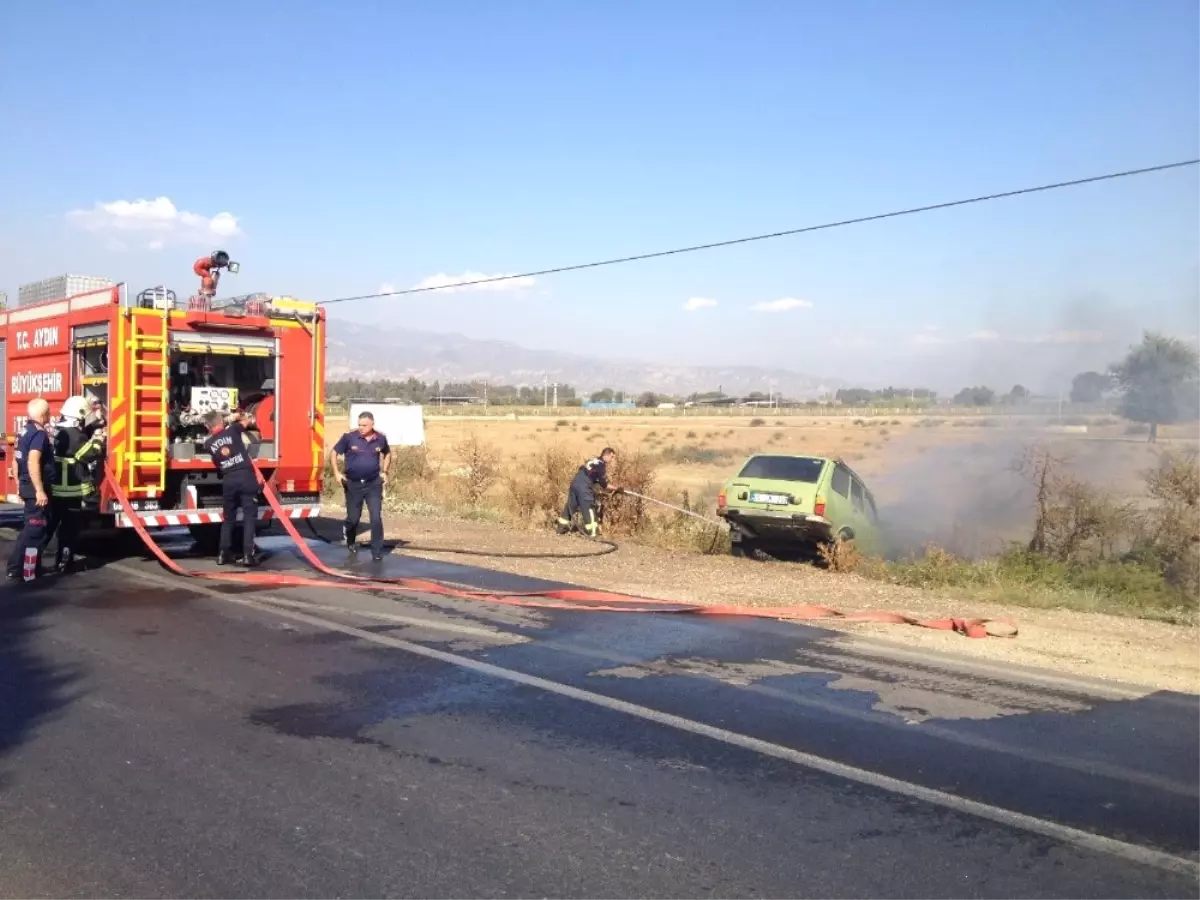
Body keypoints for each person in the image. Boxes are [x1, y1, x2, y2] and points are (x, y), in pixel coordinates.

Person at [46, 396, 106, 574]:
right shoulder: (76, 436)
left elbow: (77, 438)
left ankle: (32, 563)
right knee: (69, 531)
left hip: (56, 490)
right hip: (71, 492)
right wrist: (98, 439)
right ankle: (65, 563)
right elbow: (88, 454)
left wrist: (95, 424)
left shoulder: (59, 431)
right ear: (78, 417)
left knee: (51, 527)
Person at [202, 409, 261, 566]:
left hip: (228, 480)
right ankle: (248, 555)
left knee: (228, 519)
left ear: (208, 427)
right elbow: (247, 420)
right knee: (249, 517)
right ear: (221, 422)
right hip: (245, 476)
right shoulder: (234, 430)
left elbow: (217, 462)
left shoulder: (208, 445)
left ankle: (223, 554)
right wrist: (239, 415)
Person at [329, 411, 390, 560]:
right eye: (359, 425)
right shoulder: (349, 438)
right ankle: (350, 539)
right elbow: (333, 453)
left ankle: (376, 551)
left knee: (375, 517)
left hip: (373, 484)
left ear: (372, 424)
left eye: (364, 425)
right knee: (353, 518)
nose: (361, 428)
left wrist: (385, 472)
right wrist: (337, 473)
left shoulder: (380, 439)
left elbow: (387, 453)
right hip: (353, 484)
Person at [6, 399, 55, 581]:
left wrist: (20, 484)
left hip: (27, 486)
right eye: (49, 412)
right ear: (44, 414)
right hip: (35, 489)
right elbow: (32, 460)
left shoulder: (24, 431)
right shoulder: (39, 434)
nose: (50, 415)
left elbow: (16, 459)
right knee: (35, 530)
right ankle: (22, 569)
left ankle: (24, 567)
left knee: (30, 528)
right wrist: (39, 490)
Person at [556, 447, 621, 538]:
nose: (612, 459)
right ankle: (593, 533)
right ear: (606, 455)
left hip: (575, 483)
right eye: (611, 457)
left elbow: (583, 470)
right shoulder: (601, 466)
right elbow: (604, 484)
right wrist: (616, 488)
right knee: (589, 507)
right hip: (583, 487)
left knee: (571, 505)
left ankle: (561, 529)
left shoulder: (593, 460)